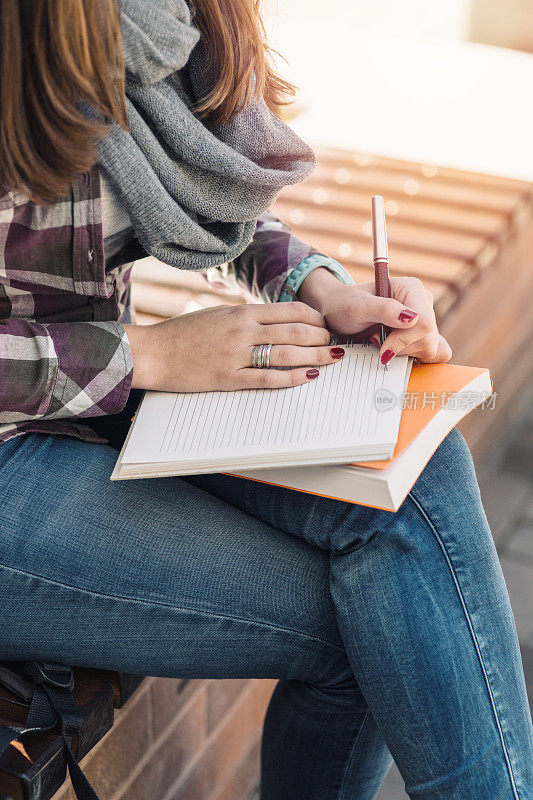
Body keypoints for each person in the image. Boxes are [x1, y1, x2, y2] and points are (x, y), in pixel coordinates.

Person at [0, 1, 531, 798]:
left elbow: (200, 194)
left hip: (96, 401)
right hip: (22, 454)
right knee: (394, 631)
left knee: (417, 477)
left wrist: (322, 287)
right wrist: (149, 352)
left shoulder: (155, 20)